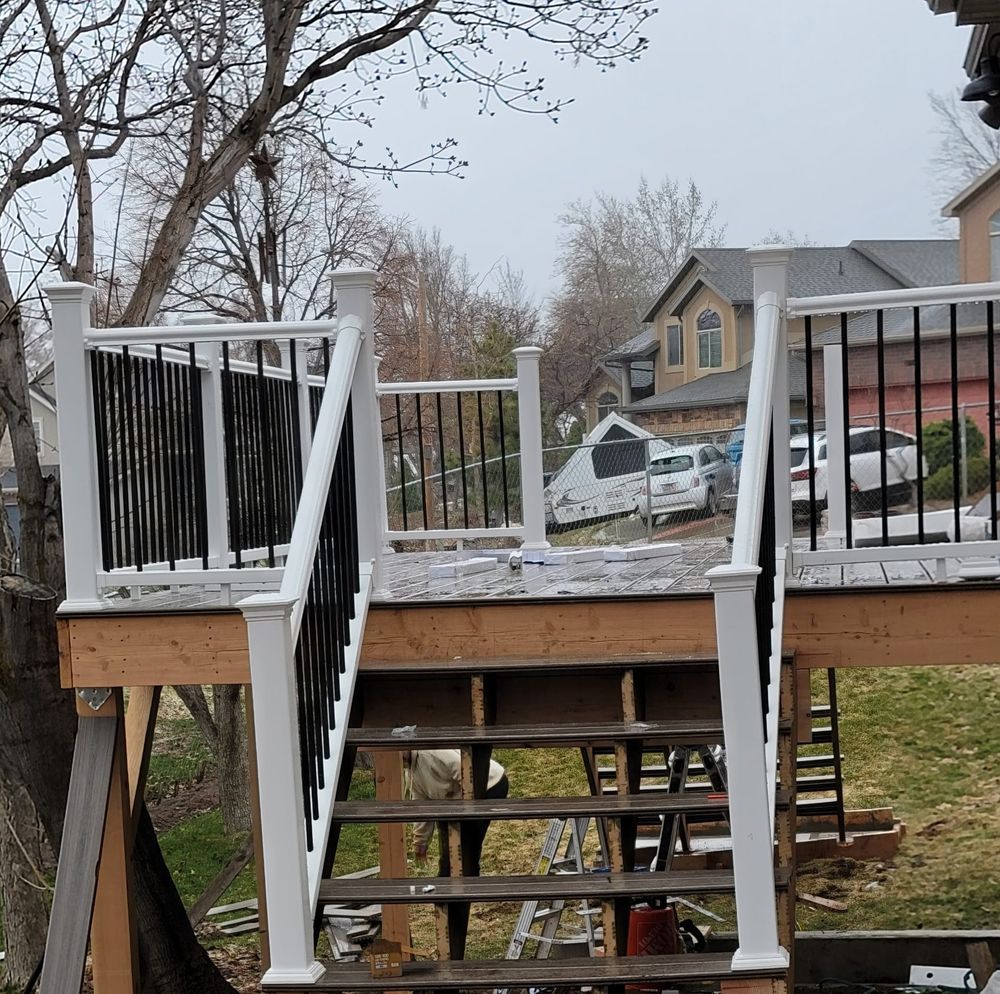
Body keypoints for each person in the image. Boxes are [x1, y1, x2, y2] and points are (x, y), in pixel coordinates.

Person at [403, 749, 509, 878]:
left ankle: (467, 887)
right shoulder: (412, 773)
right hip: (453, 802)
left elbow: (464, 769)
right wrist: (420, 842)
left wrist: (465, 808)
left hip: (489, 785)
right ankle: (447, 886)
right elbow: (422, 807)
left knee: (468, 848)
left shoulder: (430, 754)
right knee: (448, 851)